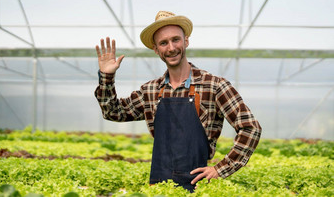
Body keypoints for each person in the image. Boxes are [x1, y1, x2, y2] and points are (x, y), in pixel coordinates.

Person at [94, 11, 262, 192]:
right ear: (156, 49)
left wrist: (220, 169)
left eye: (176, 40)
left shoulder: (214, 85)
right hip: (159, 187)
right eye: (163, 43)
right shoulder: (150, 91)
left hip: (199, 188)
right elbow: (113, 112)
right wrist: (107, 76)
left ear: (186, 41)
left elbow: (250, 127)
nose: (171, 47)